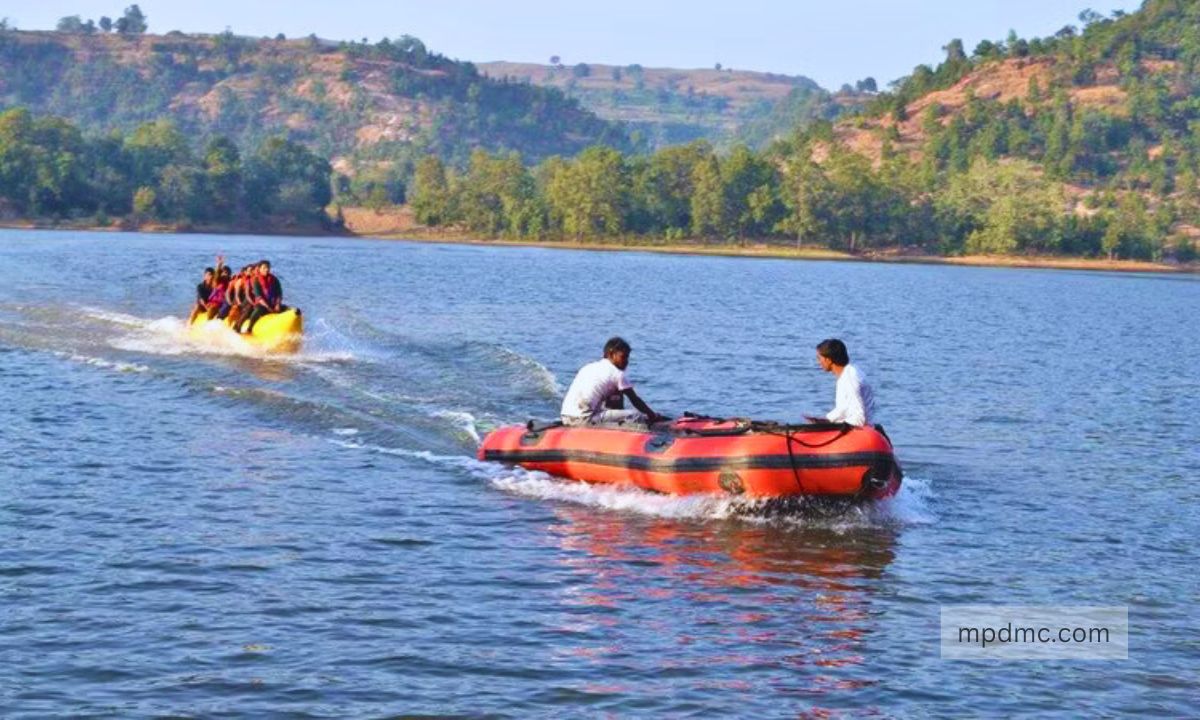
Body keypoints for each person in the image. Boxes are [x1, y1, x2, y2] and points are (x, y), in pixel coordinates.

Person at [560, 337, 666, 427]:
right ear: (611, 354)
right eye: (623, 357)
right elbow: (635, 400)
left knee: (613, 401)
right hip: (583, 419)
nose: (626, 361)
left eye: (628, 357)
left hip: (565, 417)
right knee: (636, 415)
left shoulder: (588, 367)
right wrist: (653, 416)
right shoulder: (617, 374)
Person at [807, 338, 876, 427]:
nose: (818, 362)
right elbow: (844, 408)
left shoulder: (849, 378)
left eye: (819, 358)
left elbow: (859, 418)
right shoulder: (848, 373)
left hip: (861, 432)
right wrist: (826, 420)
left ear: (829, 360)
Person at [242, 260, 285, 334]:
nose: (267, 269)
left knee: (286, 308)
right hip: (262, 304)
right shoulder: (256, 280)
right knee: (256, 312)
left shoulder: (274, 280)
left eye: (268, 267)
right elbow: (259, 296)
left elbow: (279, 293)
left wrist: (277, 304)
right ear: (260, 269)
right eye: (264, 268)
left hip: (273, 303)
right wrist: (268, 308)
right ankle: (249, 329)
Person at [187, 255, 224, 324]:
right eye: (209, 275)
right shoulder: (200, 286)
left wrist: (219, 264)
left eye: (212, 275)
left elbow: (218, 274)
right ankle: (190, 324)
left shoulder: (214, 285)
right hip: (203, 306)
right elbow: (201, 300)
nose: (211, 276)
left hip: (212, 305)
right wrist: (207, 308)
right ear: (204, 276)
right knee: (196, 307)